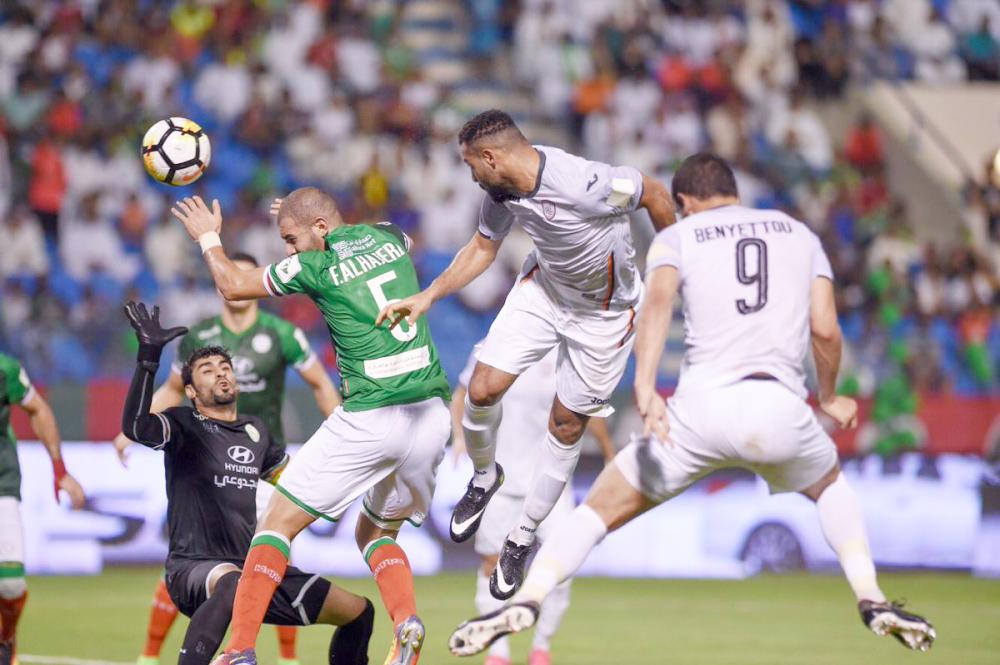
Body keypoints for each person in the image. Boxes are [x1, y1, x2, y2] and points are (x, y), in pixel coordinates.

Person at [447, 153, 937, 656]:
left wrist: (646, 389)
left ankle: (529, 598)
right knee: (830, 486)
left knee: (597, 510)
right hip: (779, 405)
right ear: (734, 192)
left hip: (699, 412)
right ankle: (870, 595)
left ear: (683, 202)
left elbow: (657, 305)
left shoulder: (679, 236)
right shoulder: (799, 235)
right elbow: (826, 330)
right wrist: (829, 395)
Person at [376, 109, 675, 600]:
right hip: (544, 293)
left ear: (491, 157)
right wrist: (428, 296)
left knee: (566, 426)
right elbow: (481, 249)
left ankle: (521, 536)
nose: (471, 175)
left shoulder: (586, 183)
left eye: (471, 164)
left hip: (604, 314)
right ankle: (484, 477)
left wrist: (673, 266)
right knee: (482, 388)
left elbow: (655, 194)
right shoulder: (502, 194)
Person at [170, 189, 452, 665]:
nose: (289, 250)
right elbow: (369, 236)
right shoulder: (388, 237)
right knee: (375, 534)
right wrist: (303, 216)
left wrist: (207, 238)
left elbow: (232, 285)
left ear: (320, 229)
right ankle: (406, 619)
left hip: (373, 411)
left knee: (275, 524)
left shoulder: (313, 266)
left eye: (290, 239)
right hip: (431, 416)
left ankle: (238, 649)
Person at [115, 252, 340, 665]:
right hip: (205, 459)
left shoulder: (282, 334)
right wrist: (132, 429)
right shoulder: (200, 335)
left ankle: (280, 657)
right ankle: (150, 655)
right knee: (199, 559)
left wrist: (342, 435)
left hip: (263, 461)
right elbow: (174, 389)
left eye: (246, 276)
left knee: (274, 563)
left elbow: (321, 385)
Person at [451, 342, 616, 665]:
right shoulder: (493, 345)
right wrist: (459, 437)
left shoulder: (570, 350)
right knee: (492, 564)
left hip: (552, 483)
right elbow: (462, 396)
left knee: (561, 567)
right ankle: (498, 653)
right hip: (500, 481)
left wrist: (609, 453)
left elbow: (587, 409)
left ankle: (541, 648)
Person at [0, 352, 85, 665]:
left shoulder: (5, 369)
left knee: (11, 585)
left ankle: (6, 639)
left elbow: (38, 409)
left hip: (2, 483)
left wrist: (59, 469)